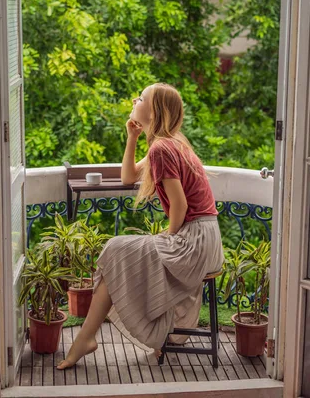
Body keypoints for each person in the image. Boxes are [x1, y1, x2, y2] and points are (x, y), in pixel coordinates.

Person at [57, 83, 224, 370]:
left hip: (193, 240)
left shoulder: (163, 148)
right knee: (117, 253)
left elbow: (180, 206)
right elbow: (128, 176)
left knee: (115, 248)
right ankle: (86, 338)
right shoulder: (166, 143)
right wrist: (131, 137)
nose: (135, 99)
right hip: (203, 237)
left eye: (142, 97)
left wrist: (168, 237)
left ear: (154, 110)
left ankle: (85, 338)